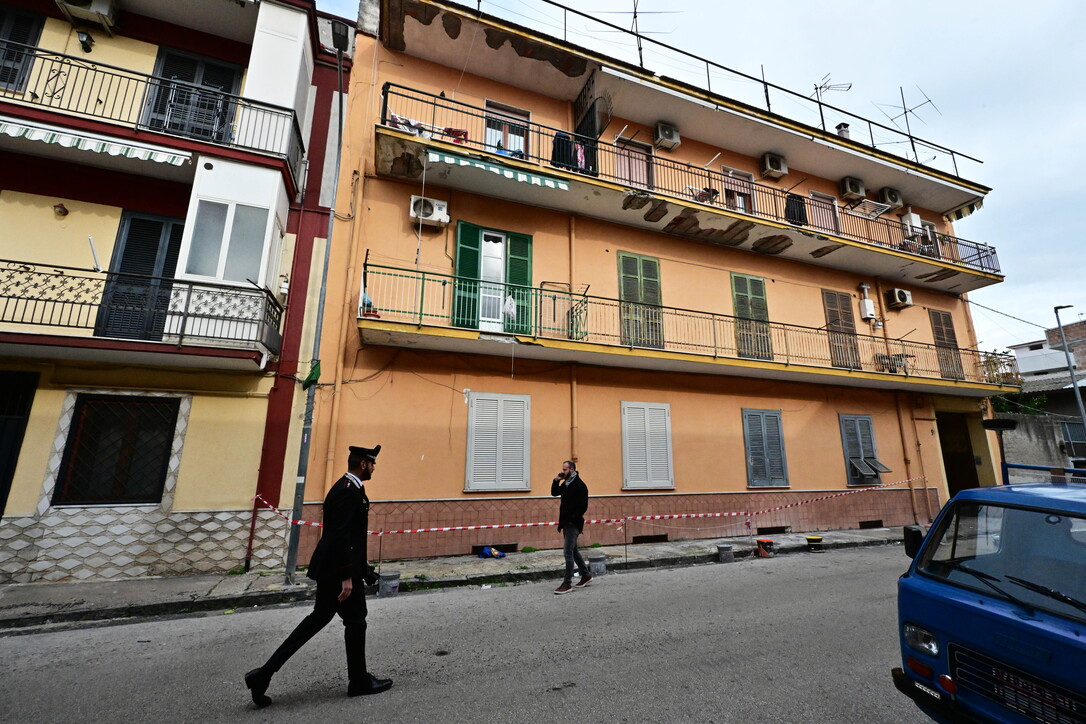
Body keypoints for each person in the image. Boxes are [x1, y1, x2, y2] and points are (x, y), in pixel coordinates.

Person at [244, 445, 392, 707]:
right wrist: (348, 576)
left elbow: (352, 537)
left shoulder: (351, 487)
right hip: (338, 571)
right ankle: (358, 682)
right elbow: (341, 536)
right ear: (362, 464)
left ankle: (263, 675)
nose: (374, 468)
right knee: (356, 622)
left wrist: (365, 570)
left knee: (320, 620)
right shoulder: (347, 492)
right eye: (372, 463)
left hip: (335, 568)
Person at [551, 459, 591, 594]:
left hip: (573, 524)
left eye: (565, 469)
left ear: (572, 470)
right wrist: (556, 480)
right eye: (562, 469)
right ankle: (585, 575)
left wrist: (572, 519)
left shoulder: (580, 485)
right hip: (565, 522)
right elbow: (554, 492)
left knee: (568, 552)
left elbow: (583, 506)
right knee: (573, 550)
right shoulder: (566, 484)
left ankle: (567, 584)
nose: (563, 471)